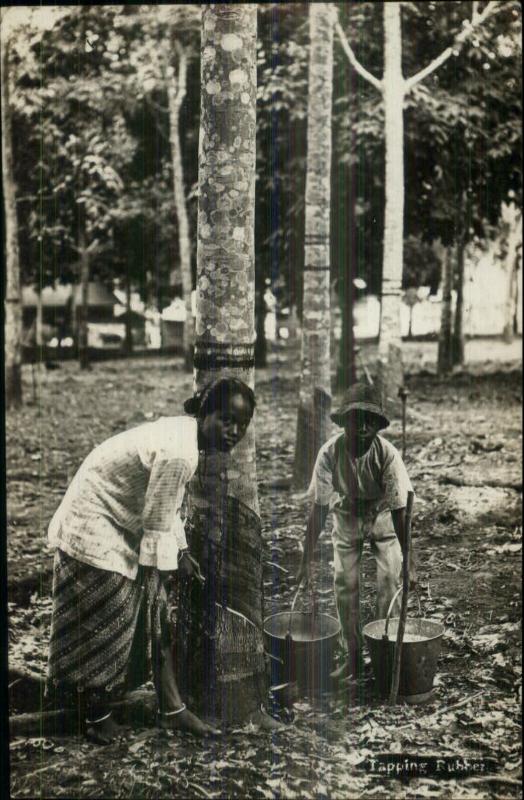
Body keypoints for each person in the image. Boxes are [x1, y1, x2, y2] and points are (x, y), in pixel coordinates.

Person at [46, 377, 256, 744]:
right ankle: (96, 715)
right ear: (205, 414)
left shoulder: (186, 440)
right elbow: (157, 520)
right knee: (112, 616)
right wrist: (163, 574)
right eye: (225, 419)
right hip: (93, 520)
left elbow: (167, 506)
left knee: (146, 610)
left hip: (117, 520)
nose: (233, 431)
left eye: (241, 424)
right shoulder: (180, 452)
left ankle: (169, 708)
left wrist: (183, 552)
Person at [296, 382, 417, 686]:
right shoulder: (329, 454)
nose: (362, 426)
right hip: (347, 512)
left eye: (370, 419)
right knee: (345, 583)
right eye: (355, 419)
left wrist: (410, 560)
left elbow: (400, 511)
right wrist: (306, 557)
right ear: (343, 422)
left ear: (378, 424)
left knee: (389, 580)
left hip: (383, 515)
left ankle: (384, 654)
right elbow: (320, 510)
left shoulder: (387, 455)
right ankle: (352, 657)